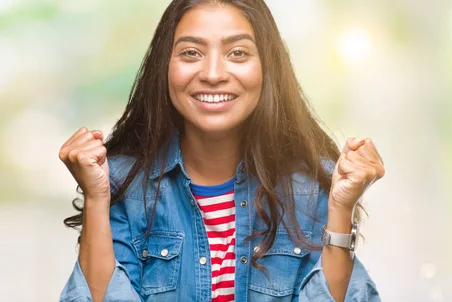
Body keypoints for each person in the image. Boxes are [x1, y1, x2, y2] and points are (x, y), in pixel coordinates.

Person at [58, 1, 385, 301]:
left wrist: (341, 210)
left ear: (267, 68)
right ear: (165, 66)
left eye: (238, 53)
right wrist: (96, 199)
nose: (213, 75)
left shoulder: (312, 188)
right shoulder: (122, 185)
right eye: (190, 53)